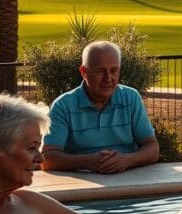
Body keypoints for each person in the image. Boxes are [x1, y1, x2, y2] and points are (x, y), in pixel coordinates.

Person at [41, 41, 159, 173]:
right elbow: (47, 158)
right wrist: (87, 162)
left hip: (128, 179)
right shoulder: (63, 105)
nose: (108, 78)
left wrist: (126, 160)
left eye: (114, 71)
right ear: (84, 72)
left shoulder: (130, 98)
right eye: (100, 71)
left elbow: (152, 148)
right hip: (82, 185)